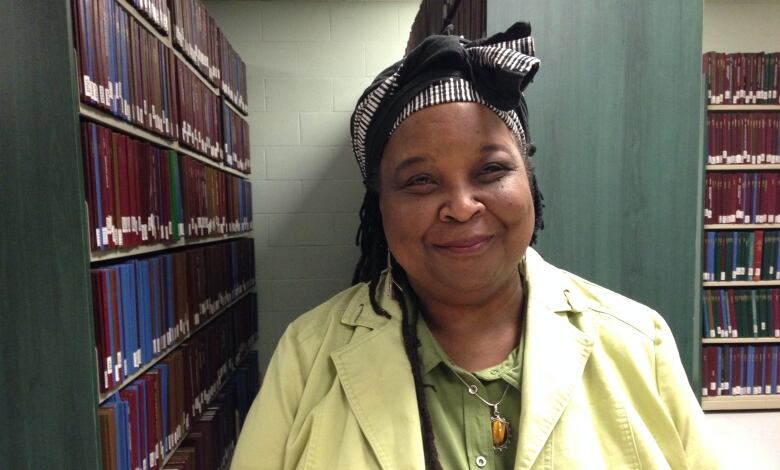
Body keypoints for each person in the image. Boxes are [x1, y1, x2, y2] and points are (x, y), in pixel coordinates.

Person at [231, 22, 716, 470]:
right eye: (420, 181)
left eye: (490, 171)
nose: (461, 207)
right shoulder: (306, 355)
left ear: (530, 181)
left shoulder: (639, 341)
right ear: (380, 208)